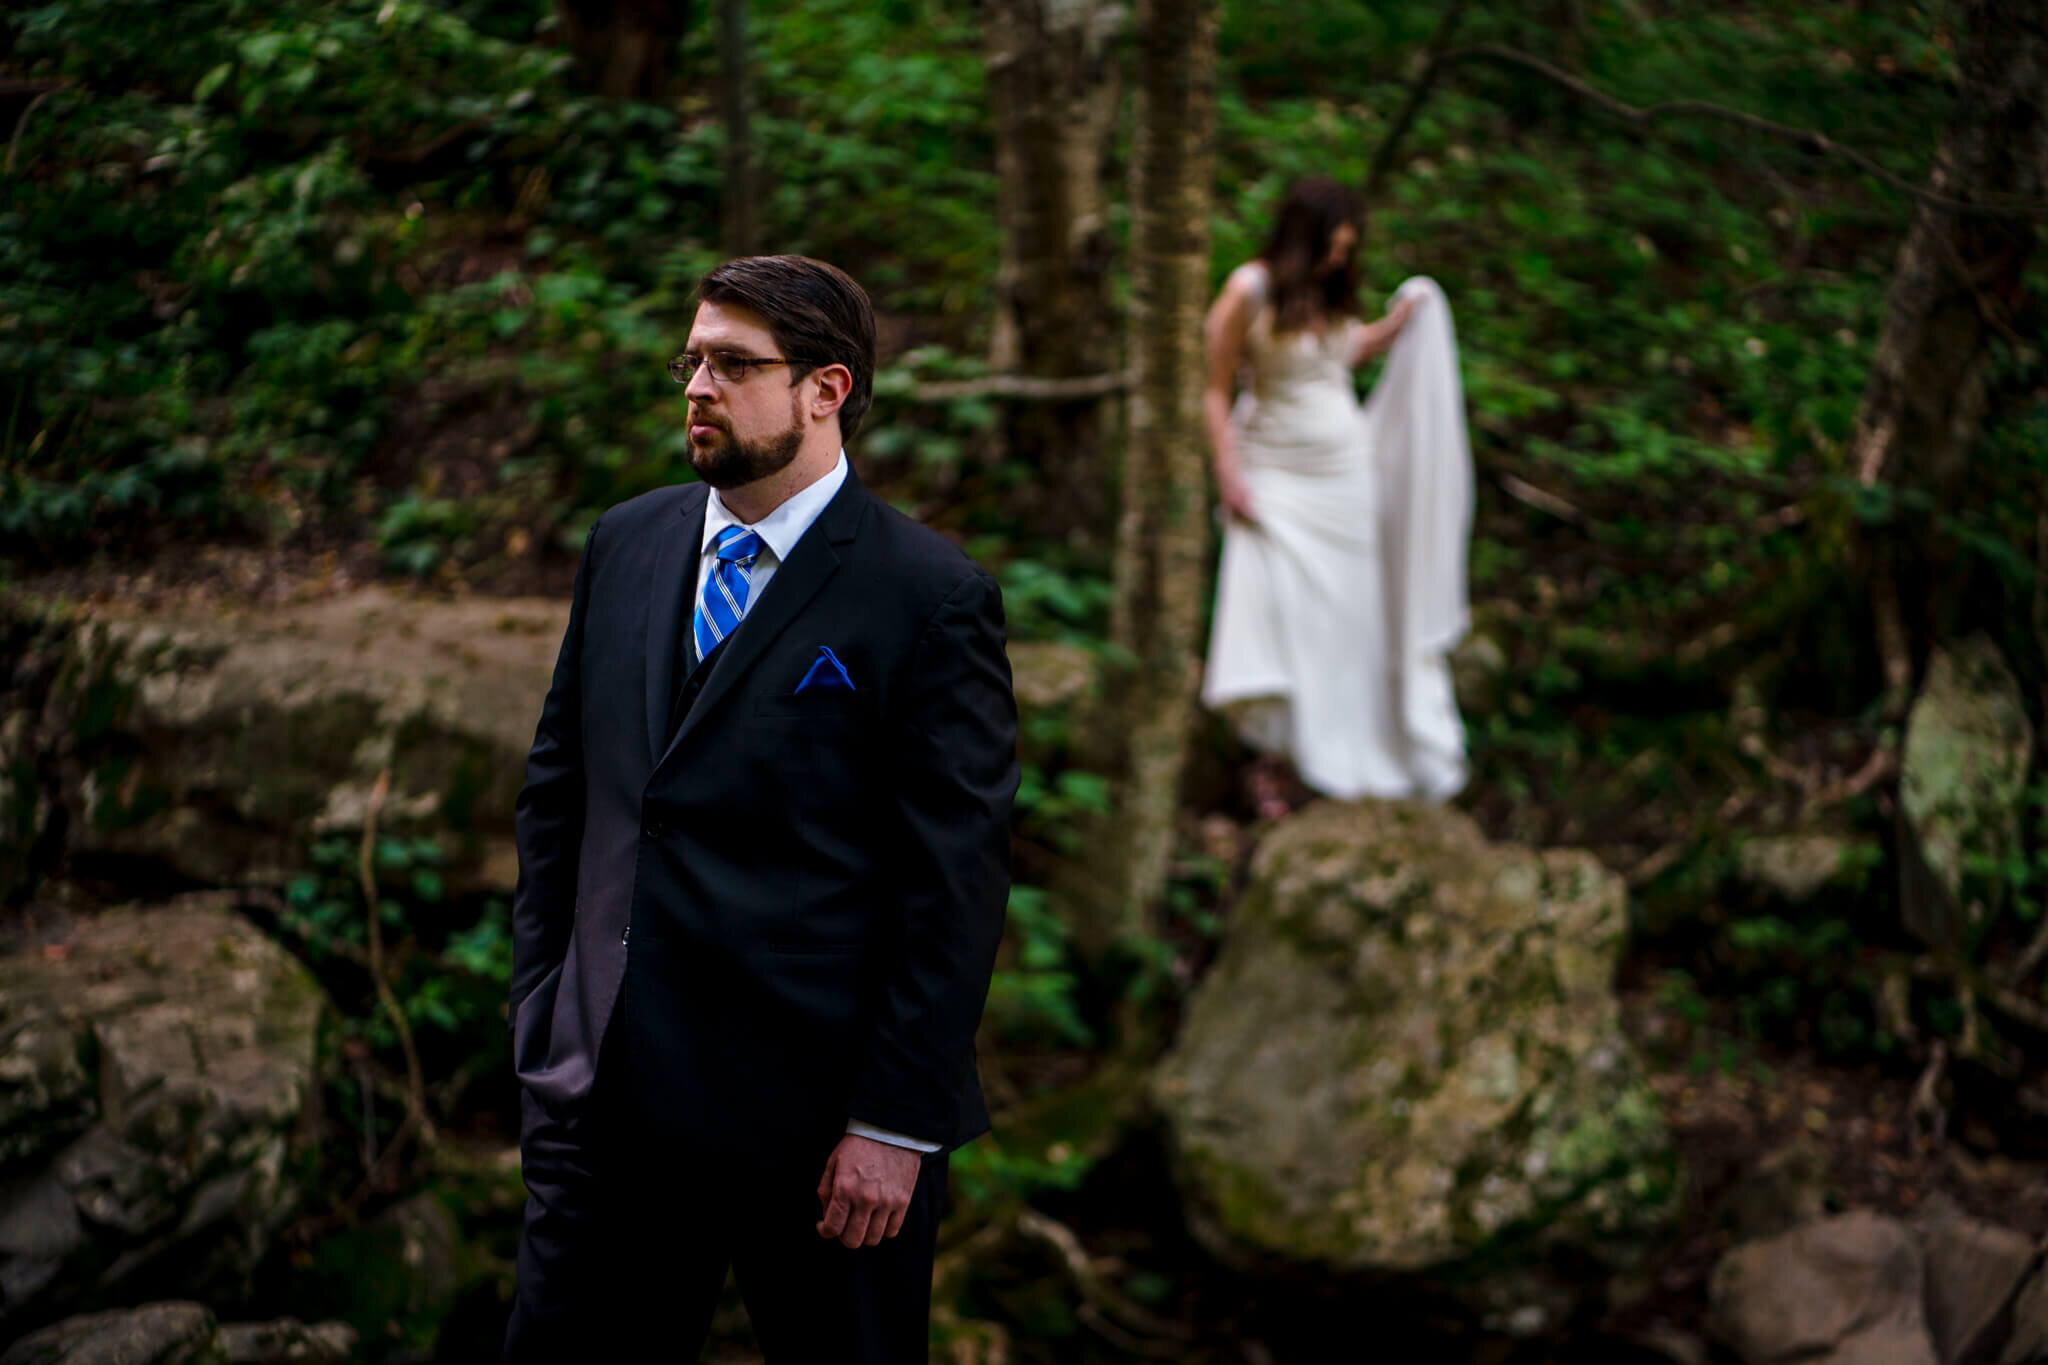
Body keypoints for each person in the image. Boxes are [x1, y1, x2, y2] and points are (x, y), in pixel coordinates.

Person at [504, 255, 1019, 1362]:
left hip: (824, 1139)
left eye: (735, 365)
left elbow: (954, 884)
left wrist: (892, 1121)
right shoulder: (627, 544)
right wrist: (544, 1017)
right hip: (604, 1105)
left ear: (824, 390)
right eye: (692, 359)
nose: (697, 385)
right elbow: (560, 797)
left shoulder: (928, 598)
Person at [1199, 177, 1474, 814]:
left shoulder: (1330, 294)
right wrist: (1227, 471)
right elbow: (1214, 389)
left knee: (1348, 622)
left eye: (1348, 248)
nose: (1339, 259)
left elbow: (1344, 355)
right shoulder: (1249, 291)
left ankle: (1342, 753)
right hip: (1273, 472)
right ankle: (1275, 759)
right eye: (1332, 245)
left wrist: (1405, 319)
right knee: (1278, 611)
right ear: (1304, 237)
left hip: (1347, 475)